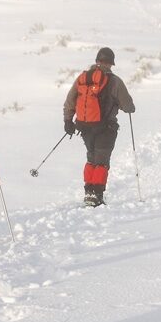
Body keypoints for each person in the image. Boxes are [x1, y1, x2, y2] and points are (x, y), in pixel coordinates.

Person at [62, 47, 135, 207]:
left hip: (84, 127)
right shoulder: (115, 81)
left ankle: (88, 192)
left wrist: (68, 120)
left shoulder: (83, 78)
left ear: (97, 61)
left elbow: (70, 100)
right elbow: (128, 105)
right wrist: (128, 107)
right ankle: (97, 194)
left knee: (91, 158)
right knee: (102, 161)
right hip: (105, 128)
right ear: (111, 63)